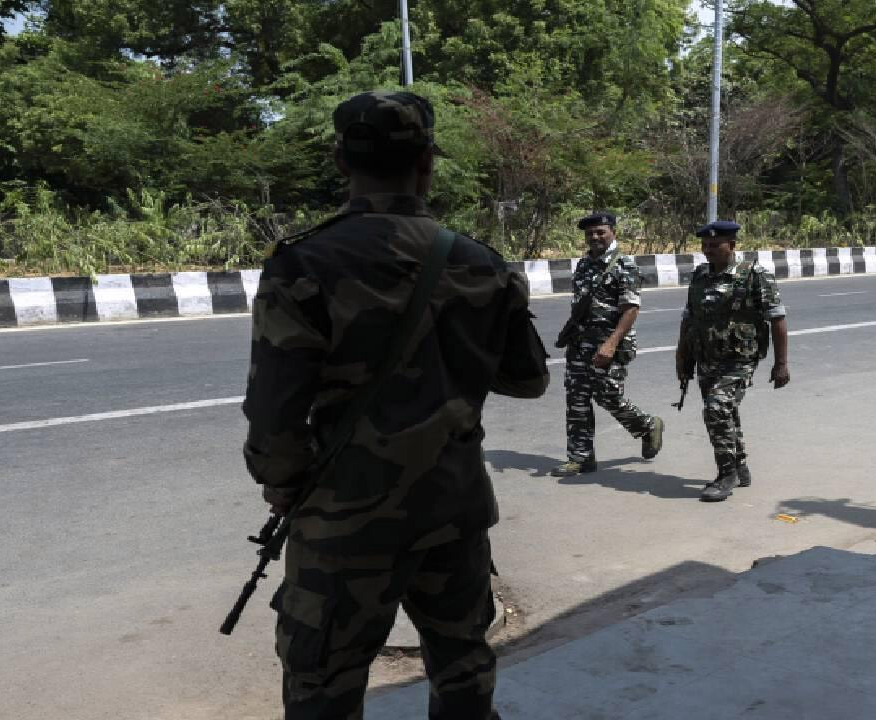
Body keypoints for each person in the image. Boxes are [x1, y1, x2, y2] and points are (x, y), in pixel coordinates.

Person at [241, 90, 549, 720]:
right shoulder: (480, 264)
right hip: (452, 510)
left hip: (343, 522)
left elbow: (273, 415)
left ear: (340, 161)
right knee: (462, 669)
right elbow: (528, 380)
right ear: (427, 163)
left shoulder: (303, 264)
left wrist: (284, 487)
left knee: (322, 686)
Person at [676, 220, 789, 502]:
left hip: (739, 360)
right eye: (705, 245)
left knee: (717, 409)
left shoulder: (754, 275)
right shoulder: (700, 276)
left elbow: (777, 319)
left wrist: (781, 363)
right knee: (726, 412)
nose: (708, 250)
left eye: (715, 245)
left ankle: (726, 474)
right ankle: (740, 465)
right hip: (706, 357)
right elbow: (689, 317)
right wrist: (682, 355)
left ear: (732, 246)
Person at [550, 212, 664, 476]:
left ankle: (647, 425)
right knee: (576, 399)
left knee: (608, 395)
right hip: (580, 344)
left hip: (610, 344)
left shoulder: (625, 265)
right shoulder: (584, 264)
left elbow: (631, 309)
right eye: (590, 233)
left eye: (600, 232)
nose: (595, 237)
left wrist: (611, 344)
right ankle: (580, 458)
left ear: (612, 231)